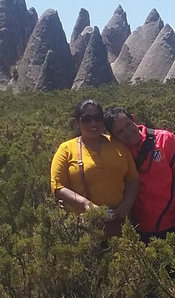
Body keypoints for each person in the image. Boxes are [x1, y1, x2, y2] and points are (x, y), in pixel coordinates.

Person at [103, 106, 175, 243]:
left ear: (134, 119)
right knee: (154, 264)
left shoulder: (165, 140)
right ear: (114, 137)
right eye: (120, 132)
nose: (127, 132)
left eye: (128, 125)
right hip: (141, 230)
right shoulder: (118, 153)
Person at [51, 98, 139, 237]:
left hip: (121, 224)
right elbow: (58, 187)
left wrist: (126, 206)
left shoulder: (118, 145)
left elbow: (133, 179)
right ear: (77, 122)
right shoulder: (66, 149)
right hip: (85, 227)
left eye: (98, 118)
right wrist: (87, 206)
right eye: (87, 119)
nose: (93, 123)